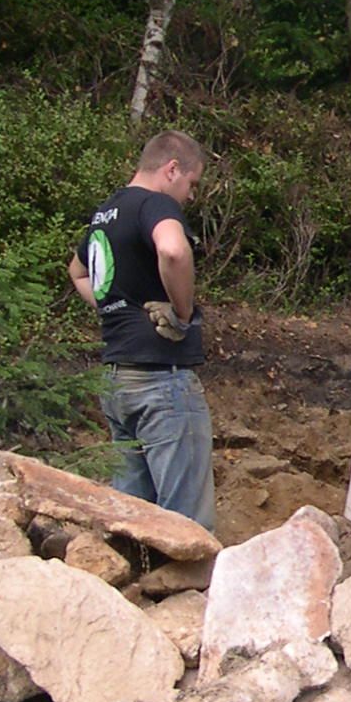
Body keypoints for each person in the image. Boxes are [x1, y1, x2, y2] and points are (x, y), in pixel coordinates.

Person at [68, 130, 215, 529]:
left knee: (132, 515)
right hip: (160, 380)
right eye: (191, 183)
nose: (189, 195)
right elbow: (172, 249)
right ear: (172, 170)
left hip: (117, 382)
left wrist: (116, 307)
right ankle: (185, 587)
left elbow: (78, 271)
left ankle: (132, 581)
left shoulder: (106, 212)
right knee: (184, 523)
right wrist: (182, 314)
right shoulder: (155, 205)